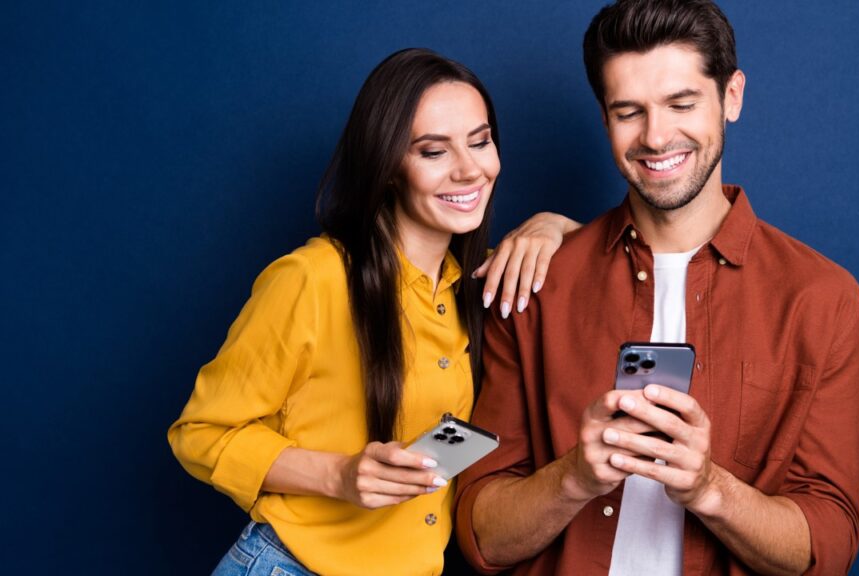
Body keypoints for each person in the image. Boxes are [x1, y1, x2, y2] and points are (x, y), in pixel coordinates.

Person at [455, 1, 859, 575]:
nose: (656, 136)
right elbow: (480, 534)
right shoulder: (534, 283)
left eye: (681, 103)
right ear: (604, 119)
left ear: (732, 97)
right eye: (629, 111)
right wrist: (575, 475)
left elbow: (828, 545)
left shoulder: (822, 300)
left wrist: (708, 488)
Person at [168, 48, 577, 576]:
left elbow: (598, 245)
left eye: (480, 141)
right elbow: (199, 434)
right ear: (387, 167)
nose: (471, 169)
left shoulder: (475, 285)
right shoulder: (313, 278)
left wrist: (549, 224)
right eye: (434, 151)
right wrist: (339, 476)